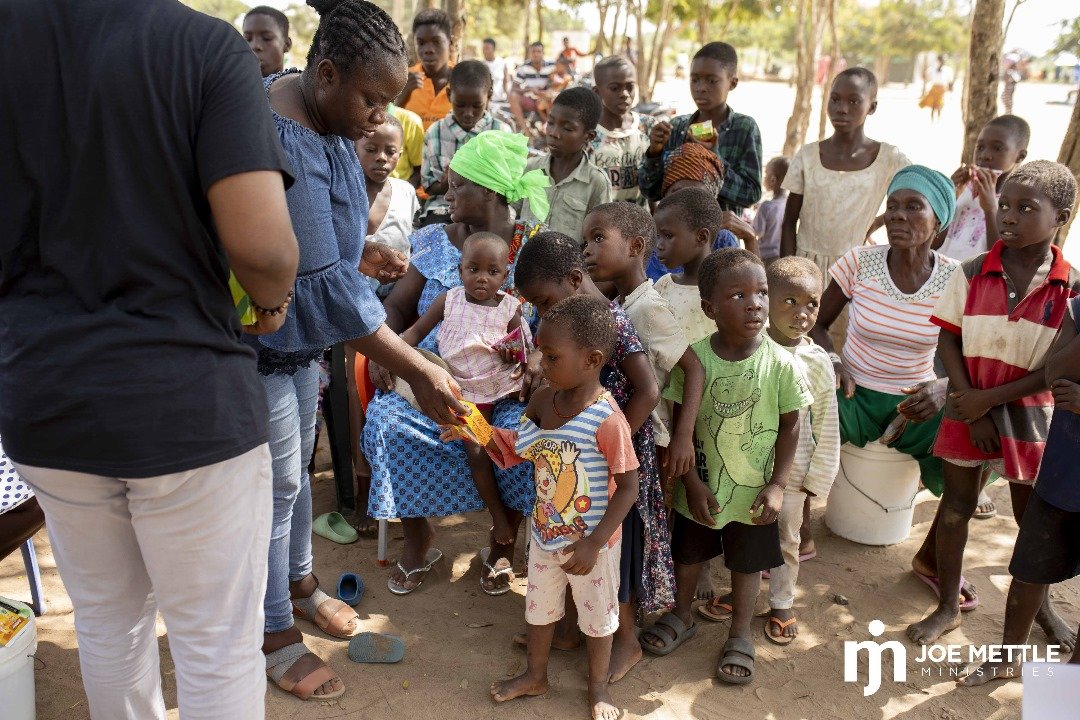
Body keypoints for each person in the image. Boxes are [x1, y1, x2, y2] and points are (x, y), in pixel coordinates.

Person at [0, 0, 299, 717]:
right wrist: (273, 300)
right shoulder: (202, 49)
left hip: (47, 402)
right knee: (215, 646)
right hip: (185, 404)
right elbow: (262, 248)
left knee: (108, 624)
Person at [259, 0, 470, 701]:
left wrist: (361, 255)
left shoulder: (322, 116)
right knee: (272, 487)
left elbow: (326, 254)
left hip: (297, 342)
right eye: (372, 99)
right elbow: (317, 290)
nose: (381, 118)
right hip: (258, 345)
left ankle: (297, 582)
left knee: (291, 480)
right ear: (324, 74)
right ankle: (273, 632)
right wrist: (421, 370)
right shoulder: (280, 136)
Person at [363, 130, 550, 598]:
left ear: (488, 192)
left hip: (507, 388)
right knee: (386, 420)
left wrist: (540, 356)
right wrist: (391, 352)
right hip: (434, 382)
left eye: (458, 184)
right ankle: (418, 535)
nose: (447, 193)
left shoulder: (536, 246)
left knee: (523, 433)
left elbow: (562, 313)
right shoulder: (432, 240)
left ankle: (501, 536)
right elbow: (400, 309)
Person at [907, 161, 1080, 648]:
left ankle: (1040, 612)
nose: (1009, 215)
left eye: (1027, 208)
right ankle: (946, 605)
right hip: (968, 401)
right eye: (1004, 204)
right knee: (957, 507)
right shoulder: (970, 271)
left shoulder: (1071, 288)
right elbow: (948, 343)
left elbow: (1054, 370)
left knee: (1033, 524)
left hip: (1031, 414)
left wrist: (990, 402)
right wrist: (973, 406)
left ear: (1060, 217)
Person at [640, 249, 812, 686]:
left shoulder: (782, 365)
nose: (755, 303)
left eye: (762, 292)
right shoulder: (695, 359)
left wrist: (777, 485)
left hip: (753, 492)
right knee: (689, 552)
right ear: (710, 308)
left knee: (747, 562)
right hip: (699, 488)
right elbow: (682, 426)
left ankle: (739, 634)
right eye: (738, 294)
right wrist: (692, 484)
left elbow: (791, 428)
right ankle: (682, 614)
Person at [464, 295, 637, 720]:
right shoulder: (542, 401)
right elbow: (516, 450)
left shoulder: (607, 420)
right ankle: (535, 676)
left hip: (590, 546)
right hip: (544, 536)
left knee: (598, 619)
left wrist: (595, 544)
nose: (539, 362)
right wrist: (474, 429)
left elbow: (629, 487)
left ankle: (598, 689)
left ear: (592, 359)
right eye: (539, 350)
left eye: (552, 355)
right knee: (538, 609)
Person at [809, 166, 974, 609]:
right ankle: (796, 533)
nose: (898, 216)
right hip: (854, 392)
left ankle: (932, 560)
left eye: (913, 207)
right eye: (894, 206)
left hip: (917, 402)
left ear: (937, 220)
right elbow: (818, 326)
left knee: (976, 444)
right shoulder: (859, 262)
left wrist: (941, 387)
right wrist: (835, 360)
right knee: (796, 416)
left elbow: (973, 354)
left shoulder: (956, 278)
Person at [513, 233, 669, 678]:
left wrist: (596, 448)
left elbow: (649, 389)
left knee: (611, 560)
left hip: (611, 456)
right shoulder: (566, 328)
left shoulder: (613, 323)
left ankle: (627, 642)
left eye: (544, 301)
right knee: (568, 545)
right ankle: (565, 630)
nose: (542, 312)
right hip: (577, 448)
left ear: (573, 279)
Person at [582, 202, 706, 680]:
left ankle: (627, 639)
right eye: (585, 240)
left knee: (628, 539)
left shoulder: (649, 307)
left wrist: (682, 437)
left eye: (598, 239)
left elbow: (690, 367)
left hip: (643, 445)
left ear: (635, 248)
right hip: (626, 439)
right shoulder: (624, 301)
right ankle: (600, 628)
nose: (588, 250)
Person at [960, 289, 1080, 687]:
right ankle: (1008, 657)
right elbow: (1055, 375)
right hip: (1063, 470)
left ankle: (1072, 682)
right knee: (1030, 567)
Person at [398, 232, 528, 584]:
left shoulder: (510, 309)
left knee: (488, 447)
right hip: (456, 392)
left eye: (492, 271)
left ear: (505, 276)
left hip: (494, 392)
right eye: (473, 268)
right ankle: (496, 520)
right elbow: (414, 333)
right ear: (460, 270)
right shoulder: (449, 300)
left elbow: (524, 354)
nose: (482, 278)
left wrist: (510, 352)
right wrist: (389, 355)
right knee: (471, 449)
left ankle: (501, 522)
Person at [760, 257, 840, 643]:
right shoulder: (749, 349)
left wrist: (817, 480)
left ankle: (781, 601)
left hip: (791, 476)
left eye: (811, 303)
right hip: (743, 469)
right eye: (789, 301)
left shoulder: (817, 361)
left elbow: (826, 423)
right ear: (765, 300)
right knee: (741, 536)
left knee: (786, 540)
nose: (802, 313)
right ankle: (739, 593)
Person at [780, 68, 910, 279]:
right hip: (805, 269)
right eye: (835, 99)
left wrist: (875, 223)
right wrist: (788, 275)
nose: (841, 109)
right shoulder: (808, 156)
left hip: (857, 272)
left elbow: (919, 192)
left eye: (853, 101)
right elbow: (788, 221)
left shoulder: (888, 158)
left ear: (872, 107)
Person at [639, 42, 762, 213]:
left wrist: (712, 158)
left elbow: (751, 194)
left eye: (712, 81)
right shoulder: (676, 127)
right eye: (695, 79)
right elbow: (650, 191)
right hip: (675, 234)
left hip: (720, 234)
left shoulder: (743, 128)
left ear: (732, 83)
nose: (701, 88)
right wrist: (655, 153)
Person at [420, 60, 511, 226]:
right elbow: (429, 187)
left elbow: (509, 186)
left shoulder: (501, 133)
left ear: (489, 96)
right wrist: (447, 180)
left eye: (477, 106)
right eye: (460, 105)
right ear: (449, 95)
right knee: (436, 235)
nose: (468, 113)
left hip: (489, 210)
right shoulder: (435, 133)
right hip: (445, 207)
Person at [520, 87, 612, 243]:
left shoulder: (596, 183)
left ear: (588, 136)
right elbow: (510, 217)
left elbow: (599, 239)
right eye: (550, 123)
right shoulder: (530, 168)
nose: (554, 133)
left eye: (567, 128)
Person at [936, 115, 1030, 262]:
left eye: (997, 148)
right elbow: (933, 244)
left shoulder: (1016, 203)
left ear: (1020, 156)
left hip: (973, 282)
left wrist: (990, 209)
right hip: (939, 274)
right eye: (980, 147)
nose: (985, 155)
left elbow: (1002, 258)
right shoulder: (962, 188)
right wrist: (949, 197)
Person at [653, 188, 738, 341]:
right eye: (658, 236)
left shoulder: (728, 290)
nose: (659, 245)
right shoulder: (663, 286)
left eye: (668, 236)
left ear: (701, 236)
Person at [356, 116, 419, 297]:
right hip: (351, 294)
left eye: (390, 151)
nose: (381, 158)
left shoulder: (406, 192)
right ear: (355, 150)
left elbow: (409, 242)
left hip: (394, 294)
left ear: (400, 155)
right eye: (371, 149)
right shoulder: (345, 193)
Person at [588, 55, 657, 207]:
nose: (624, 94)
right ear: (597, 92)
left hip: (641, 222)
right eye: (615, 88)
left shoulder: (648, 127)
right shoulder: (586, 133)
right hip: (599, 224)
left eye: (630, 87)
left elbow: (655, 187)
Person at [397, 9, 453, 130]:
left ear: (450, 42)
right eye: (421, 43)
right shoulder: (402, 79)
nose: (428, 49)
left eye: (436, 42)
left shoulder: (463, 81)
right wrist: (400, 99)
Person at [510, 41, 556, 132]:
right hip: (531, 99)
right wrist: (529, 89)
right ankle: (526, 131)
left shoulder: (552, 65)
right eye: (533, 52)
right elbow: (514, 88)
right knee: (512, 96)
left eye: (539, 51)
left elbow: (561, 80)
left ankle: (551, 129)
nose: (536, 54)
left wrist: (549, 91)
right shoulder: (523, 67)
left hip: (547, 100)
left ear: (543, 53)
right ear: (530, 53)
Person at [753, 157, 790, 263]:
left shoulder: (766, 207)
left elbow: (757, 231)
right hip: (780, 255)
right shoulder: (788, 204)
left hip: (765, 257)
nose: (764, 177)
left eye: (766, 174)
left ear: (773, 179)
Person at [244, 6, 292, 78]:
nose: (255, 46)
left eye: (267, 38)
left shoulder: (297, 87)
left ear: (287, 44)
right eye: (247, 39)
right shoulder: (228, 86)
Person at [389, 103, 426, 189]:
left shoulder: (410, 121)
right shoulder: (355, 119)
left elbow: (420, 169)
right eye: (371, 150)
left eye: (391, 152)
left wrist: (403, 193)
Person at [918, 54, 954, 123]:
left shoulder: (947, 70)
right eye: (941, 60)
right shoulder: (932, 69)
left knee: (939, 105)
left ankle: (938, 120)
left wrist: (950, 89)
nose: (942, 62)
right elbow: (925, 76)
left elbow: (950, 81)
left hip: (942, 89)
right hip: (934, 88)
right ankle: (932, 121)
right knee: (933, 105)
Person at [482, 37, 511, 104]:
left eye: (487, 48)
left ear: (494, 49)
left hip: (501, 100)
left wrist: (508, 97)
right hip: (487, 101)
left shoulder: (502, 63)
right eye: (483, 48)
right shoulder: (481, 65)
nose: (484, 51)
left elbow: (506, 81)